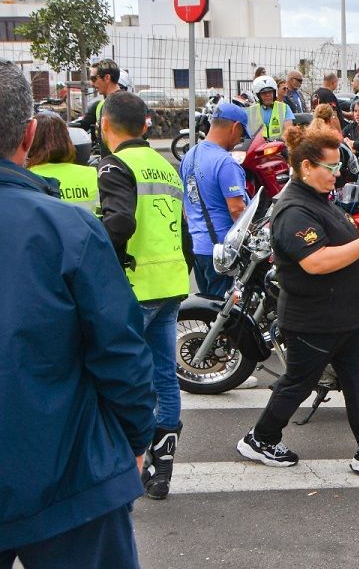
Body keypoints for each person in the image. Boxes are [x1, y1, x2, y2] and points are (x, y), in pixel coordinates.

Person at [0, 61, 156, 569]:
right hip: (69, 470)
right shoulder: (67, 228)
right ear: (28, 134)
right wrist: (135, 438)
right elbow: (120, 349)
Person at [235, 127, 359, 476]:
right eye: (330, 168)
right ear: (305, 167)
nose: (337, 175)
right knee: (298, 383)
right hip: (313, 320)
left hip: (344, 317)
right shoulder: (293, 209)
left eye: (337, 168)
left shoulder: (319, 200)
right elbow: (315, 262)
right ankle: (261, 438)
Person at [97, 91, 190, 501]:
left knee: (119, 377)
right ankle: (162, 466)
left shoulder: (115, 165)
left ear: (105, 125)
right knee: (164, 377)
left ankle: (125, 461)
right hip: (170, 284)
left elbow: (119, 222)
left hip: (135, 288)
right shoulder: (164, 166)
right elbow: (183, 233)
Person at [180, 102, 249, 297]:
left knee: (209, 308)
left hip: (197, 248)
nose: (239, 140)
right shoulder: (225, 162)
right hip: (221, 252)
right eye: (241, 134)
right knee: (224, 315)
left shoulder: (189, 156)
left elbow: (186, 205)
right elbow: (237, 210)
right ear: (235, 126)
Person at [26, 111, 99, 213]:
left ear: (32, 140)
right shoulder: (92, 174)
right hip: (88, 228)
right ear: (67, 138)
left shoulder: (26, 178)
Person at [74, 58, 121, 157]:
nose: (91, 83)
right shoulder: (136, 102)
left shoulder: (108, 105)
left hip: (114, 165)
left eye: (94, 78)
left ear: (107, 78)